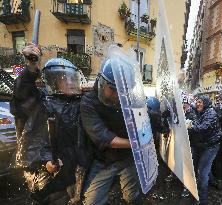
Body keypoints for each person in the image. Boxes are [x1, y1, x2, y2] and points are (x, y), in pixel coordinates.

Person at [11, 43, 90, 204]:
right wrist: (32, 66)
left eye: (71, 78)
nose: (69, 82)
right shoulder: (42, 102)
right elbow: (22, 94)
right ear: (54, 81)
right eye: (63, 79)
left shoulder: (79, 102)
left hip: (72, 171)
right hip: (49, 175)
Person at [81, 58, 142, 205]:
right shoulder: (88, 102)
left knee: (132, 196)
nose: (117, 96)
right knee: (91, 201)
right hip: (103, 160)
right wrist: (136, 143)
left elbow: (142, 120)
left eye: (123, 91)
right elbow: (103, 138)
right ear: (102, 83)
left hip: (127, 158)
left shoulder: (128, 100)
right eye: (114, 90)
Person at [187, 95, 221, 205]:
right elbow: (189, 107)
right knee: (202, 168)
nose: (198, 104)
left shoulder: (211, 113)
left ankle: (202, 200)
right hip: (201, 145)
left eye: (200, 102)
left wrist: (190, 126)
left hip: (210, 147)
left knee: (202, 173)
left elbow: (204, 127)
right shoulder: (201, 111)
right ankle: (215, 183)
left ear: (206, 103)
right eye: (197, 102)